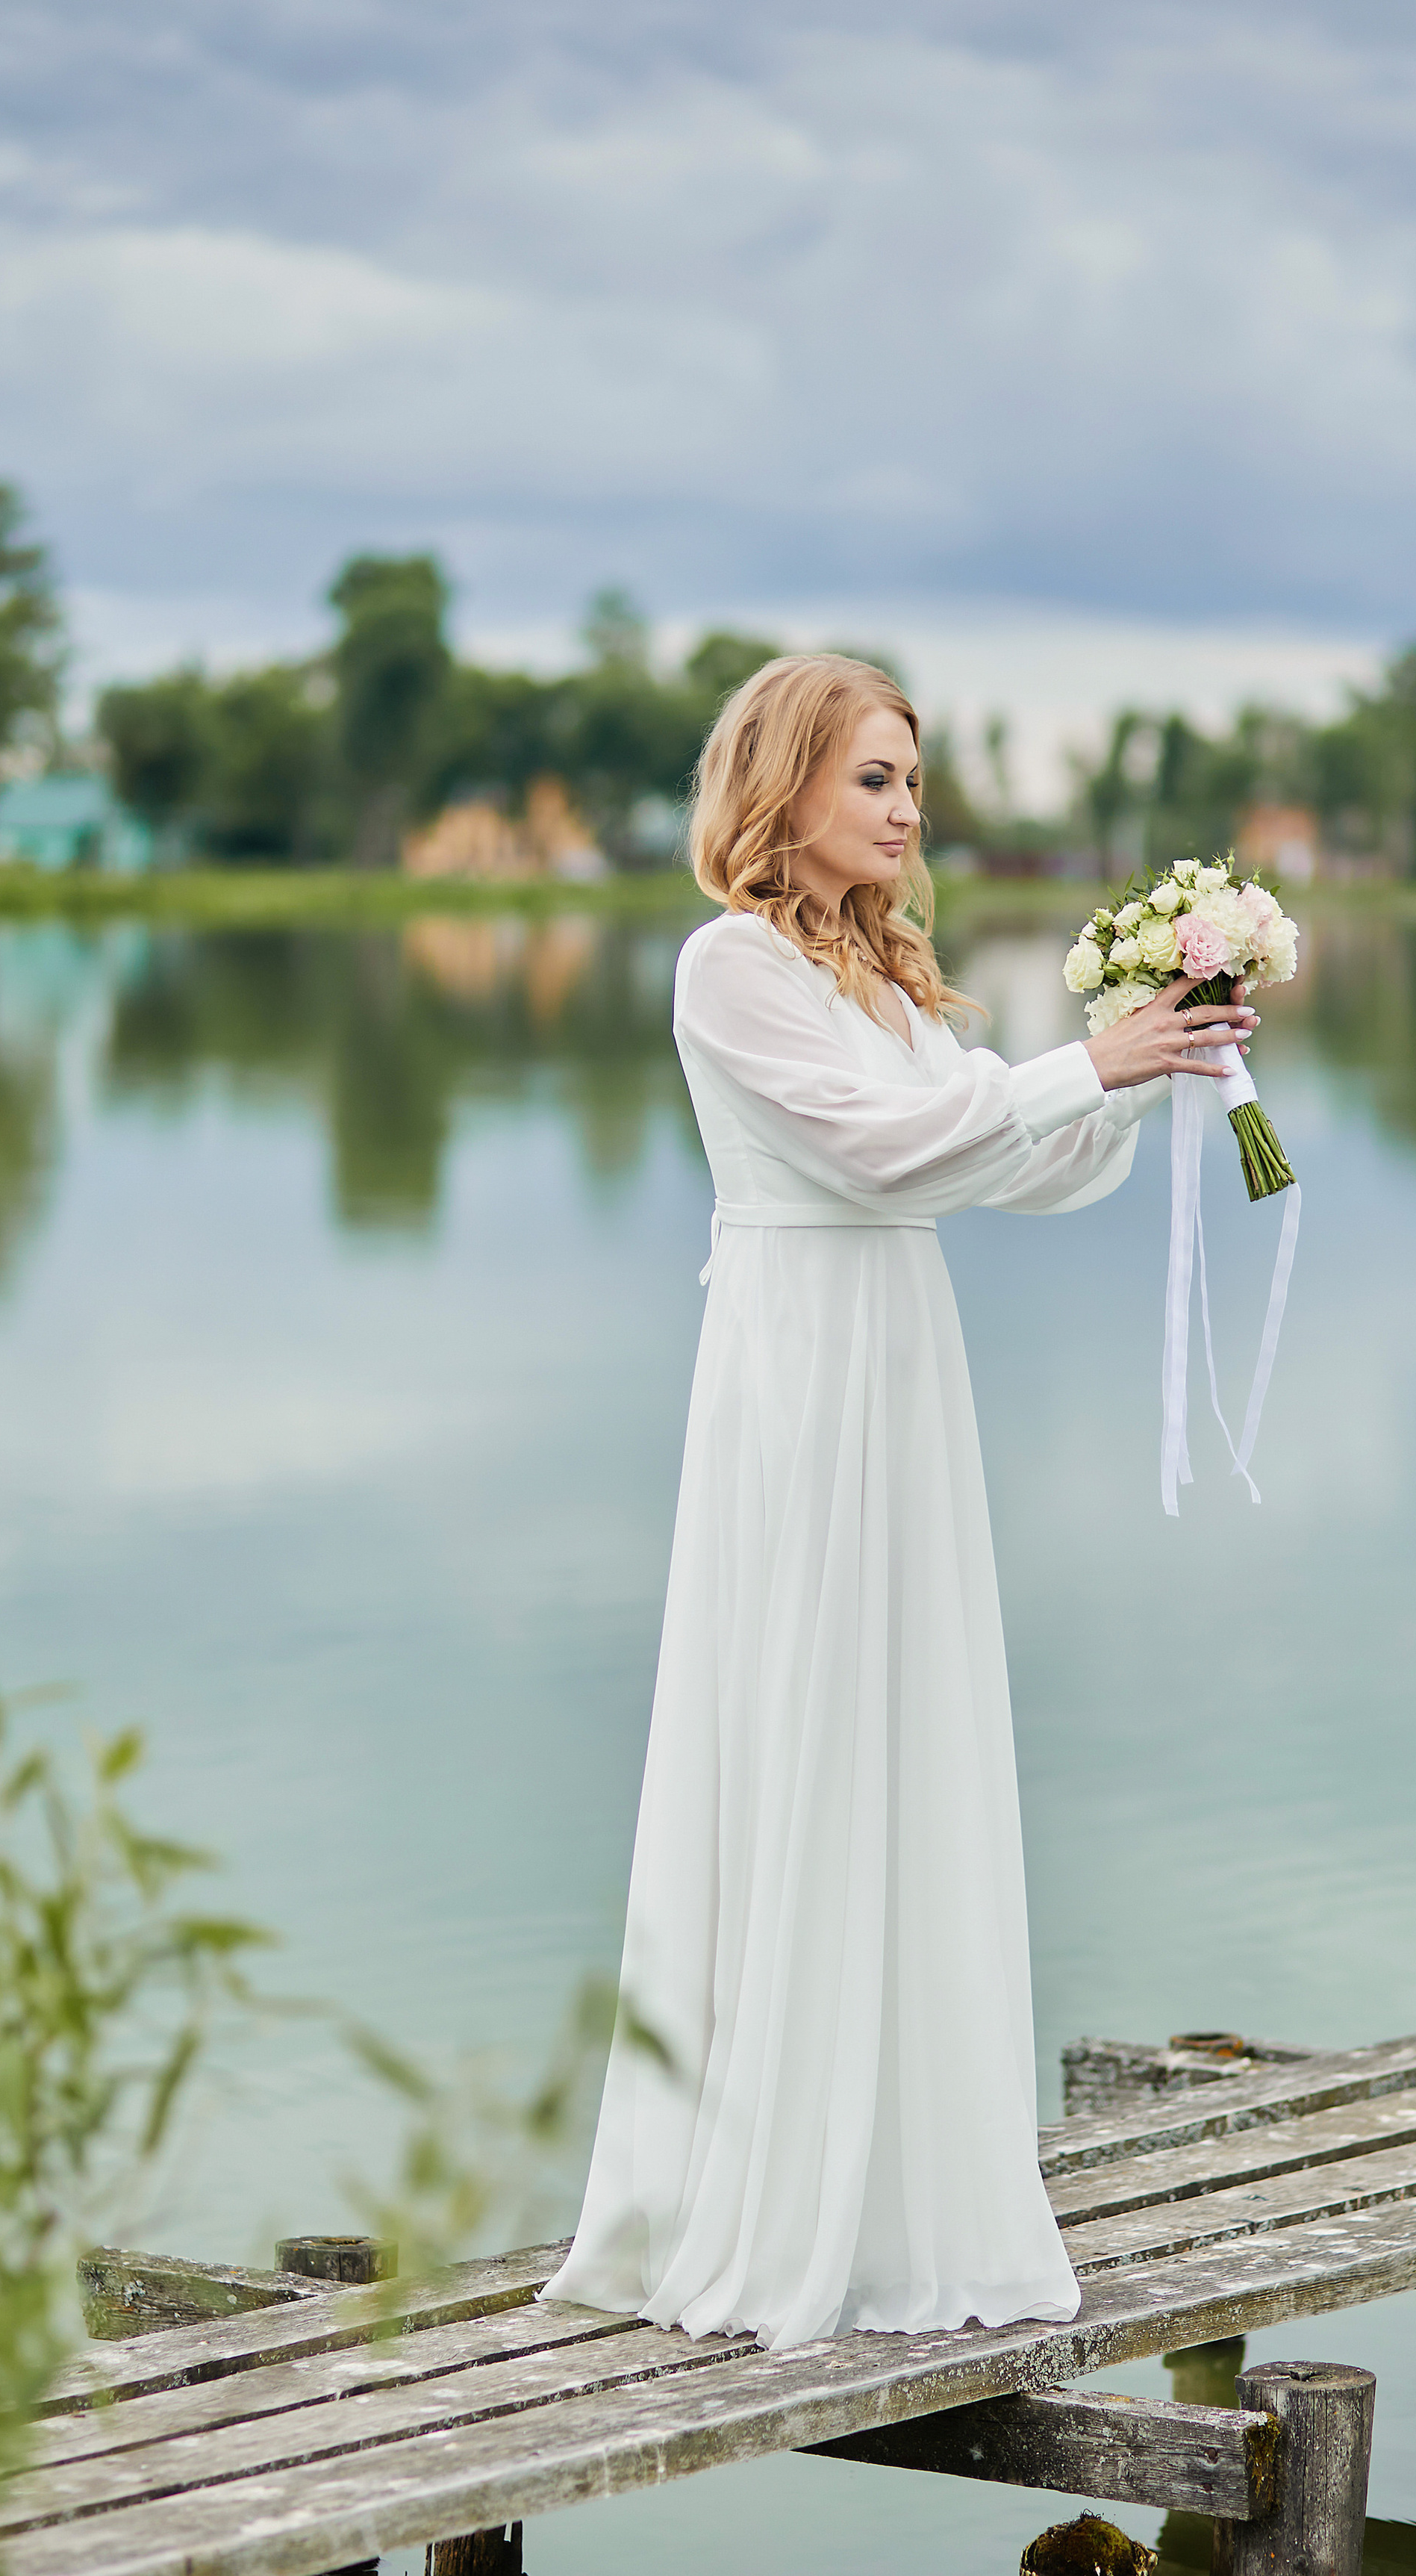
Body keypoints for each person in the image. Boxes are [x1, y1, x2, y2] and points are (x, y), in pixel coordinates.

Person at [543, 655, 1256, 2353]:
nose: (905, 809)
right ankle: (763, 2200)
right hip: (798, 1375)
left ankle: (898, 2195)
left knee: (902, 1732)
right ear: (782, 785)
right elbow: (882, 1151)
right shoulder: (731, 968)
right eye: (872, 777)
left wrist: (1146, 1063)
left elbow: (999, 1158)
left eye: (912, 781)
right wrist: (1080, 1063)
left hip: (902, 1364)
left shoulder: (879, 978)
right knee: (801, 1727)